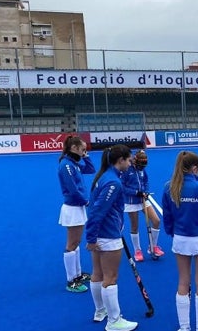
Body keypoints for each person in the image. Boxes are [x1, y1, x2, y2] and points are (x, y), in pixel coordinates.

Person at [162, 151, 198, 331]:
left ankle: (185, 327)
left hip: (180, 238)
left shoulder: (169, 187)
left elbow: (167, 216)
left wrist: (172, 233)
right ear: (195, 168)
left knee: (183, 282)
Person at [86, 145, 139, 331]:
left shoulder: (104, 176)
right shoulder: (113, 183)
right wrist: (91, 238)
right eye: (129, 158)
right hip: (107, 235)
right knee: (110, 276)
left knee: (97, 273)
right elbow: (97, 211)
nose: (131, 161)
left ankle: (101, 311)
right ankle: (114, 321)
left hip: (102, 233)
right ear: (120, 160)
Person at [57, 135, 96, 293]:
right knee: (72, 244)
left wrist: (86, 157)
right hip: (73, 208)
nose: (84, 152)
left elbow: (91, 169)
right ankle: (71, 280)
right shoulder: (66, 165)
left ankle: (78, 274)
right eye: (82, 149)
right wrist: (86, 202)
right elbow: (72, 189)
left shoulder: (74, 164)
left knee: (76, 242)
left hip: (77, 206)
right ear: (73, 148)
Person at [122, 149, 164, 261]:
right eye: (140, 165)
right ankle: (137, 250)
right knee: (135, 226)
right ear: (135, 162)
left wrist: (146, 191)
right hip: (131, 201)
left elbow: (145, 181)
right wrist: (136, 192)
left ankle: (153, 247)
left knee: (156, 220)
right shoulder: (126, 170)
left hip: (143, 199)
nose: (142, 168)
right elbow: (122, 187)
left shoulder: (142, 169)